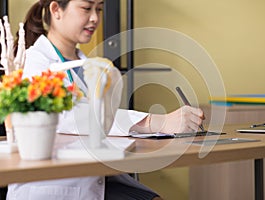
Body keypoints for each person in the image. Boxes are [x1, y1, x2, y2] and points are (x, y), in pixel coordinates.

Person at [7, 0, 205, 199]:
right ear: (56, 9)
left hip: (99, 175)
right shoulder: (34, 62)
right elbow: (70, 117)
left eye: (99, 9)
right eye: (86, 8)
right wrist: (157, 122)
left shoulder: (86, 64)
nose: (94, 18)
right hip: (55, 185)